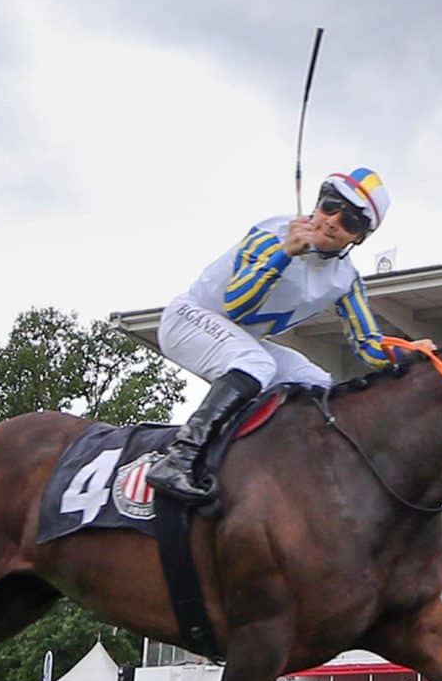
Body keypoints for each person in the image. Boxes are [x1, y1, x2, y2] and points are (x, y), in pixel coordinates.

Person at [145, 168, 406, 503]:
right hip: (190, 319)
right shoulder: (273, 233)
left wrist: (415, 354)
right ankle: (179, 457)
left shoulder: (347, 279)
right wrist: (284, 254)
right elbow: (236, 305)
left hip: (241, 339)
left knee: (317, 384)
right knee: (256, 363)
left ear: (358, 237)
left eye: (350, 222)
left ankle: (275, 466)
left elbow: (368, 345)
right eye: (329, 207)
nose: (332, 222)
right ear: (317, 204)